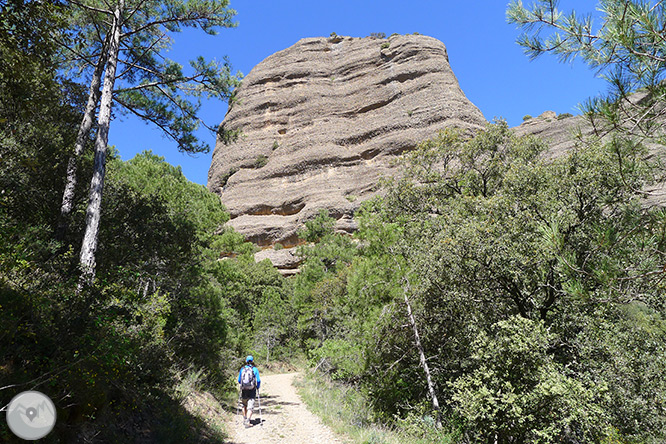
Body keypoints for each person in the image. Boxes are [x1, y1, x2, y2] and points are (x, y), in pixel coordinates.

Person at [238, 355, 261, 427]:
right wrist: (257, 386)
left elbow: (239, 381)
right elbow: (258, 380)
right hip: (252, 389)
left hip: (244, 389)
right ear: (253, 361)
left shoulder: (242, 369)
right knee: (250, 406)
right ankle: (248, 421)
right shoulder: (255, 369)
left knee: (244, 404)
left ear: (246, 361)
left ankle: (245, 419)